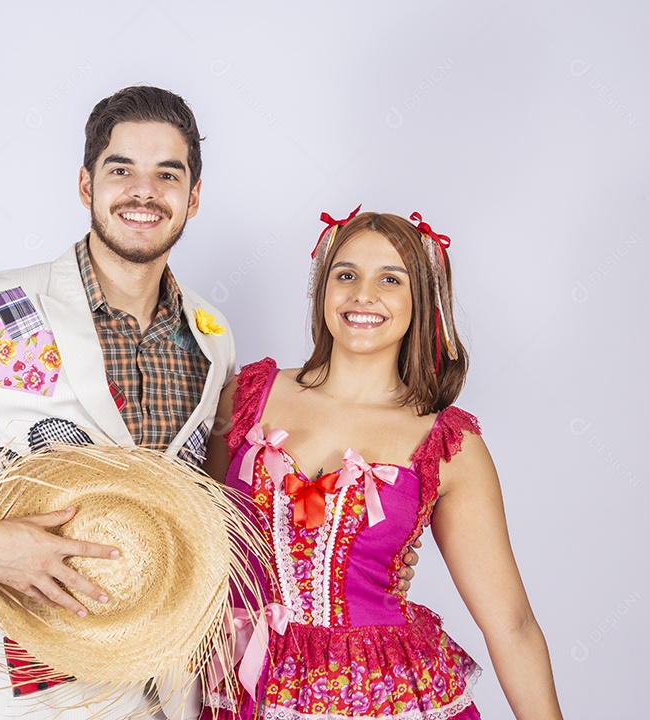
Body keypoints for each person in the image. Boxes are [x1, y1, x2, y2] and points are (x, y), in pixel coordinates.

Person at [0, 86, 419, 719]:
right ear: (86, 184)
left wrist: (373, 552)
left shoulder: (211, 332)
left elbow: (222, 507)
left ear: (193, 197)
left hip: (174, 682)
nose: (144, 192)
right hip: (38, 677)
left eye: (167, 174)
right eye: (121, 170)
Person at [202, 210, 562, 719]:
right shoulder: (246, 395)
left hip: (380, 695)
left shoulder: (448, 443)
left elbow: (511, 624)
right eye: (345, 274)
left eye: (389, 279)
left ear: (422, 300)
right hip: (242, 683)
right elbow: (194, 537)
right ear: (322, 288)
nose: (361, 295)